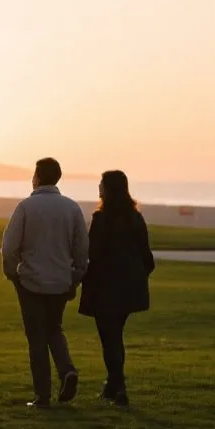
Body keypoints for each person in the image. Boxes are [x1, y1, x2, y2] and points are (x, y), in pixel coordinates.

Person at [2, 158, 89, 408]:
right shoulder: (72, 208)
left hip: (31, 281)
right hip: (60, 281)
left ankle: (42, 395)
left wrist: (12, 273)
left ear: (37, 177)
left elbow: (9, 247)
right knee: (54, 329)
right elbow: (81, 249)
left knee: (36, 337)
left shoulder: (26, 207)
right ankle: (67, 370)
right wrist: (75, 276)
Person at [79, 171, 155, 407]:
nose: (98, 188)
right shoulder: (135, 218)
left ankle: (118, 385)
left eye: (101, 184)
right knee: (114, 335)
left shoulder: (102, 219)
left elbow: (93, 253)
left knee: (109, 337)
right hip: (129, 287)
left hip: (106, 287)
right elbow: (147, 257)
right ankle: (112, 386)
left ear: (108, 189)